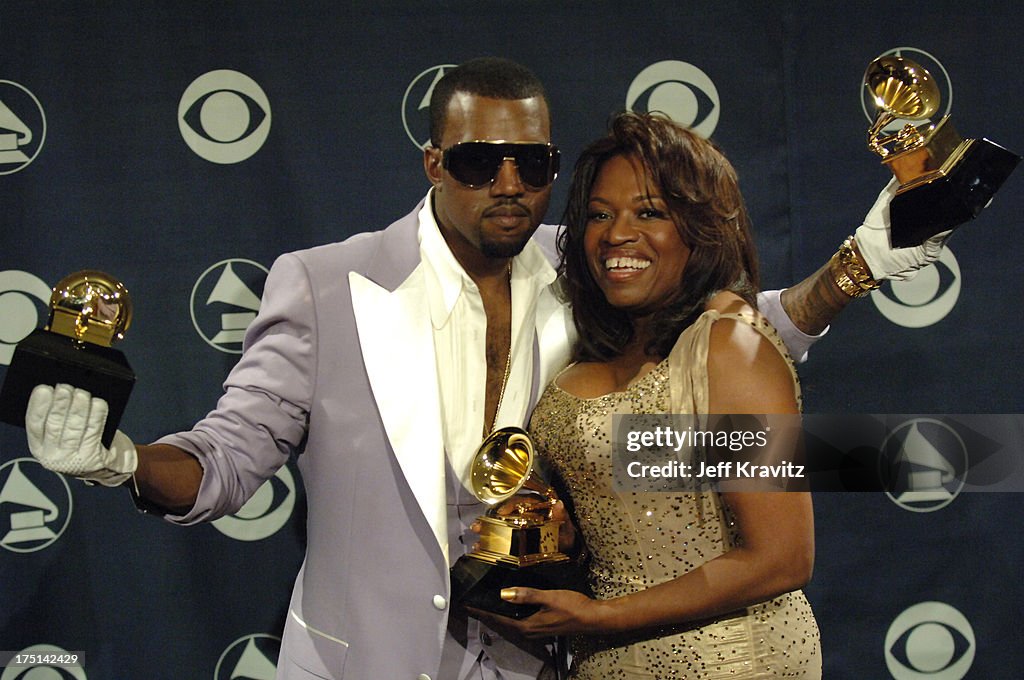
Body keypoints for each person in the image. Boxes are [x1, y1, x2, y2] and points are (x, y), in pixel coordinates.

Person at [21, 58, 943, 679]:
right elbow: (226, 459)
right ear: (434, 163)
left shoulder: (590, 267)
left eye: (530, 161)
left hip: (536, 666)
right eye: (477, 159)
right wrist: (119, 461)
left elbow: (727, 339)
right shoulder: (327, 283)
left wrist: (855, 267)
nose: (507, 181)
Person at [479, 111, 822, 677]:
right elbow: (640, 506)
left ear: (700, 229)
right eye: (599, 215)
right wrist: (564, 536)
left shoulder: (727, 345)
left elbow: (782, 557)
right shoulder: (595, 344)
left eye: (649, 213)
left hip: (731, 661)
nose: (616, 234)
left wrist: (604, 616)